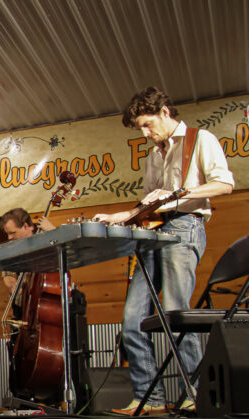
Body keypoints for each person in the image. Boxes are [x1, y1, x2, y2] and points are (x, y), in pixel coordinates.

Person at [93, 87, 233, 415]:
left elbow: (224, 184)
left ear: (165, 112)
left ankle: (196, 394)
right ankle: (149, 399)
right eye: (140, 128)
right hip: (154, 235)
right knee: (131, 321)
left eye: (147, 124)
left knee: (174, 314)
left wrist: (176, 195)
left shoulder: (201, 139)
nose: (145, 133)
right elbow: (149, 204)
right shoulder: (154, 155)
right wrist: (121, 216)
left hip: (184, 229)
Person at [0, 208, 55, 291]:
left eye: (12, 233)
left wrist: (54, 231)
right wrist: (13, 286)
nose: (9, 237)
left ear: (25, 226)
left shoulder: (46, 236)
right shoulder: (12, 248)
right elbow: (8, 274)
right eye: (7, 233)